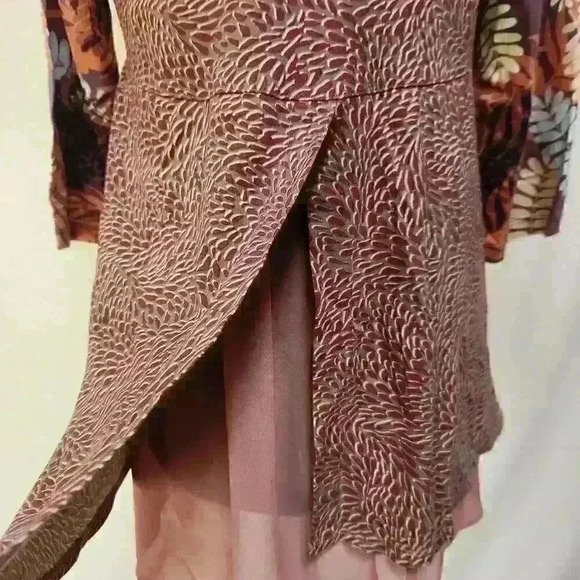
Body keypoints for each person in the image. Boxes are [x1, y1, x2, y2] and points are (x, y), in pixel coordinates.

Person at [0, 1, 576, 578]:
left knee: (385, 497)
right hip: (202, 173)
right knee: (216, 511)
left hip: (404, 181)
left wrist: (498, 176)